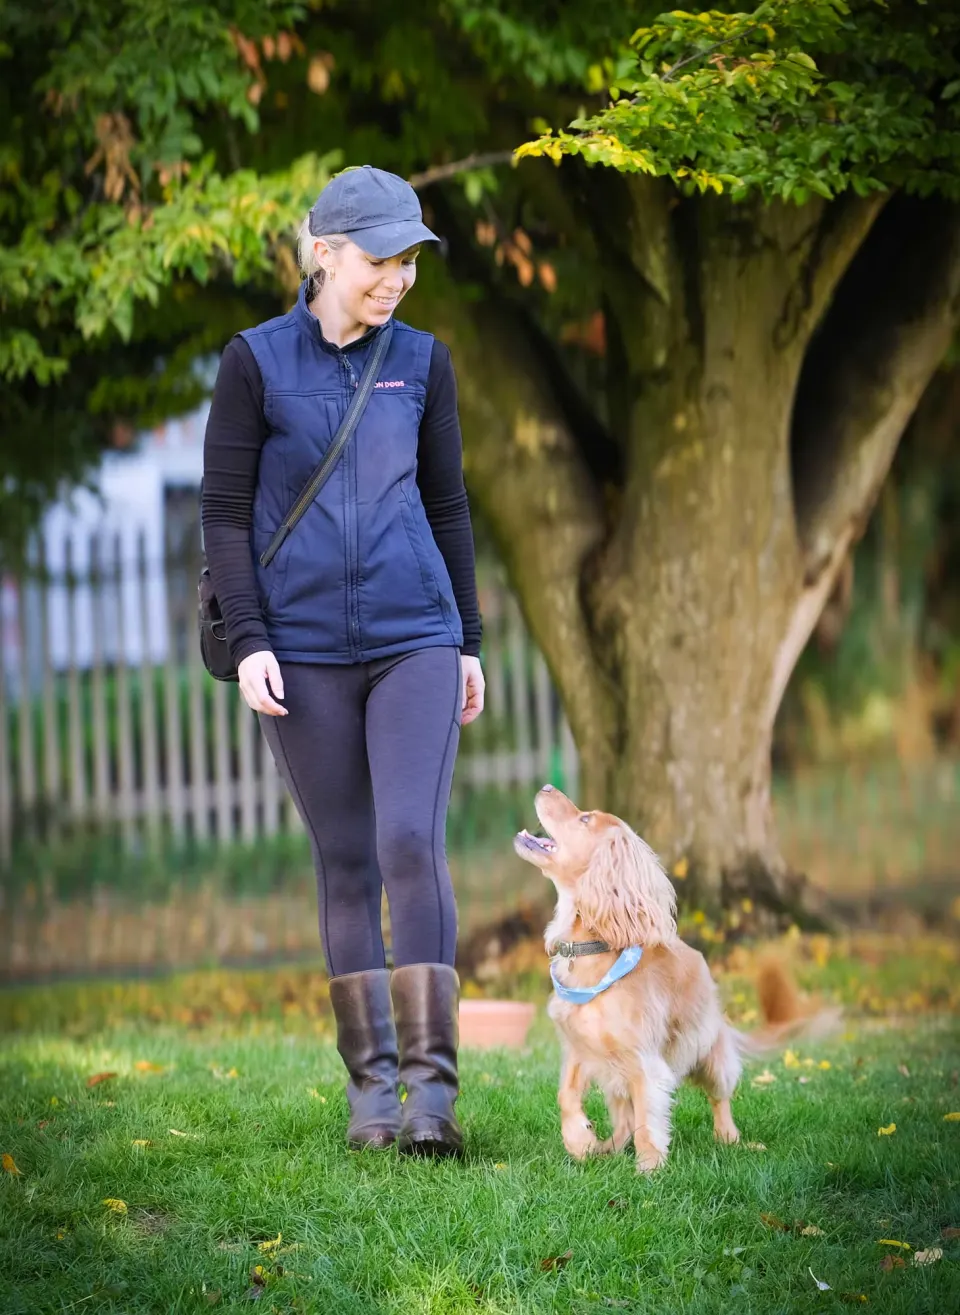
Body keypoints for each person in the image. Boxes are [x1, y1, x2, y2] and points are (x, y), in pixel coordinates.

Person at [201, 166, 485, 1158]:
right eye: (380, 259)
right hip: (303, 648)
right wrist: (250, 641)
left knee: (410, 840)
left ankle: (433, 1097)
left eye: (410, 260)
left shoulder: (423, 362)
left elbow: (448, 506)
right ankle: (373, 1095)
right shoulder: (253, 364)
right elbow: (223, 515)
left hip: (415, 636)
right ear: (324, 252)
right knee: (349, 857)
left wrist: (468, 640)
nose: (398, 278)